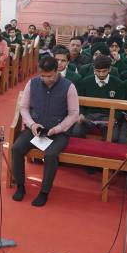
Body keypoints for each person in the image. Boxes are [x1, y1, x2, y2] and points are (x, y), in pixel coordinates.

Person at [12, 55, 79, 207]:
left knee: (51, 155)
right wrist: (32, 125)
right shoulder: (32, 83)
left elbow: (74, 114)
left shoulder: (69, 86)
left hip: (58, 132)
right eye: (42, 75)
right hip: (36, 129)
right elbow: (24, 108)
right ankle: (20, 186)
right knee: (16, 148)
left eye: (49, 76)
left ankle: (44, 192)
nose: (45, 79)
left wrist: (57, 129)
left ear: (57, 71)